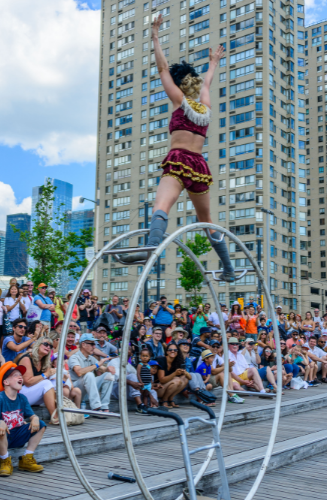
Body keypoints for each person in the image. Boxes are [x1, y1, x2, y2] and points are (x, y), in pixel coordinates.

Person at [120, 25, 234, 281]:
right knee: (206, 219)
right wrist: (214, 63)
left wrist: (155, 38)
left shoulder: (178, 100)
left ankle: (151, 250)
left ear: (179, 83)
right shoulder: (205, 106)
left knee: (162, 205)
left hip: (180, 160)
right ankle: (228, 268)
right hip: (200, 167)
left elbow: (162, 69)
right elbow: (207, 82)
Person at [0, 362, 46, 476]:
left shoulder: (22, 398)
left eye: (21, 375)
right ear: (6, 382)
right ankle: (4, 460)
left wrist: (35, 418)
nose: (20, 377)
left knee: (41, 425)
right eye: (15, 375)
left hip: (16, 435)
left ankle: (27, 458)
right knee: (0, 429)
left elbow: (31, 415)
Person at [19, 337, 78, 425]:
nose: (48, 347)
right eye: (46, 344)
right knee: (46, 383)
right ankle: (55, 417)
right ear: (38, 345)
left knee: (55, 383)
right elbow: (28, 381)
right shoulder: (27, 358)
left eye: (50, 346)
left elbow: (50, 384)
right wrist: (46, 374)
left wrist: (63, 381)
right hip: (20, 395)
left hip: (33, 394)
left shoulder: (44, 361)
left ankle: (63, 412)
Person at [67, 333, 115, 414]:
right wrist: (97, 365)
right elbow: (79, 372)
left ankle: (104, 407)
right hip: (76, 391)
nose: (94, 347)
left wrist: (108, 369)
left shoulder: (91, 358)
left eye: (94, 344)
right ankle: (96, 407)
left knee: (108, 376)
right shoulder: (74, 357)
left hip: (87, 389)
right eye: (92, 344)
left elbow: (102, 368)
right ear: (83, 344)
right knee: (89, 375)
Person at [156, 343, 191, 408]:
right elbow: (162, 380)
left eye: (175, 350)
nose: (173, 351)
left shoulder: (177, 361)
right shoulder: (162, 360)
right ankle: (164, 400)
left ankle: (170, 399)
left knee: (184, 378)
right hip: (158, 388)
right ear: (166, 352)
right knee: (177, 380)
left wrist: (185, 373)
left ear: (177, 352)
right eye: (170, 350)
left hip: (166, 387)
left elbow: (190, 378)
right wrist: (175, 374)